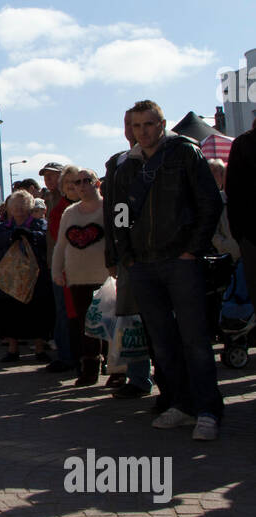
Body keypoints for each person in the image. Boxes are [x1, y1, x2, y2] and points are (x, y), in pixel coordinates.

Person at [109, 99, 223, 440]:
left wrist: (192, 250)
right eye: (136, 125)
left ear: (162, 124)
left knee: (195, 340)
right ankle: (179, 404)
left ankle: (207, 411)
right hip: (143, 264)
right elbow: (119, 214)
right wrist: (126, 256)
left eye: (149, 124)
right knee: (162, 342)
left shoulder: (185, 153)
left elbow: (210, 202)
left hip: (180, 261)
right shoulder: (125, 166)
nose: (142, 132)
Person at [103, 113, 155, 401]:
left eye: (142, 124)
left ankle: (171, 379)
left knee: (161, 320)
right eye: (130, 125)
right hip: (128, 256)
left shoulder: (169, 155)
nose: (134, 131)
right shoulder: (119, 162)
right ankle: (139, 377)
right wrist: (114, 252)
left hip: (160, 253)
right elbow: (114, 212)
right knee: (132, 319)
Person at [51, 169, 110, 386]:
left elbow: (121, 236)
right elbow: (60, 245)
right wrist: (57, 271)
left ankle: (117, 369)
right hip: (77, 278)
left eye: (88, 181)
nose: (83, 185)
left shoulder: (110, 208)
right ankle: (90, 369)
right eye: (78, 182)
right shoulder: (69, 212)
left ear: (97, 183)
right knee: (87, 327)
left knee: (111, 323)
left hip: (106, 276)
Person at [0, 189, 54, 363]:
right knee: (9, 313)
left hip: (34, 279)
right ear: (10, 208)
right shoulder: (2, 227)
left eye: (23, 205)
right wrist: (10, 237)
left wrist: (32, 236)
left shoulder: (39, 224)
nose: (19, 208)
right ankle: (12, 349)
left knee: (36, 313)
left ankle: (39, 348)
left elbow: (47, 240)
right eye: (15, 205)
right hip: (9, 281)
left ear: (29, 206)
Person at [225, 112, 256, 313]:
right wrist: (242, 236)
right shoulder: (244, 144)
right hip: (252, 236)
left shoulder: (242, 144)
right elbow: (233, 193)